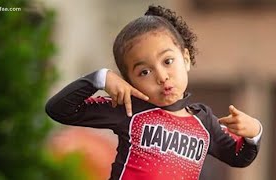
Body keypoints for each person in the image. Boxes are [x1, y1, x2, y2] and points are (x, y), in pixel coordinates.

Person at [45, 5, 262, 180]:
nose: (161, 76)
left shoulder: (203, 122)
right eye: (144, 72)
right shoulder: (129, 108)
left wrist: (254, 133)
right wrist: (99, 79)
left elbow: (238, 158)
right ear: (129, 82)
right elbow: (59, 110)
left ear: (185, 59)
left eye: (168, 61)